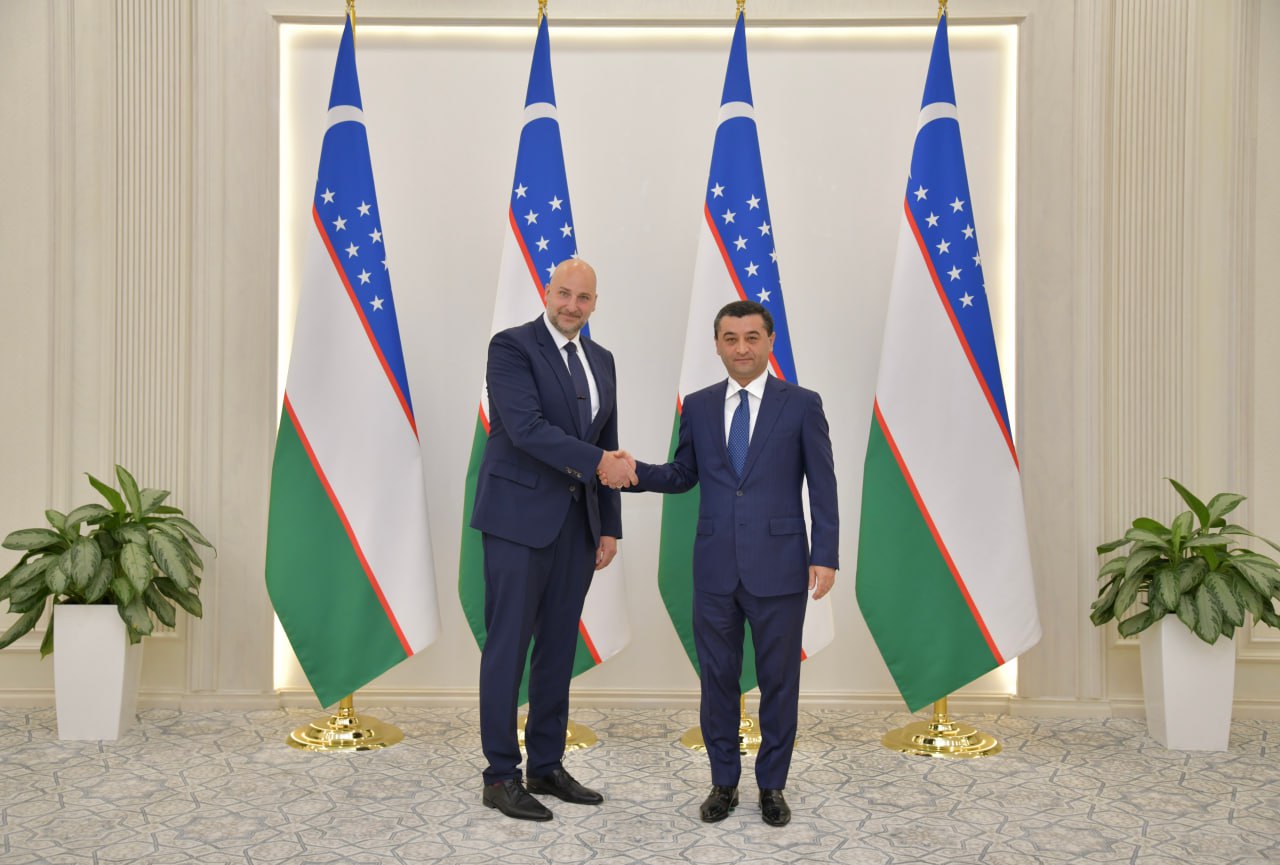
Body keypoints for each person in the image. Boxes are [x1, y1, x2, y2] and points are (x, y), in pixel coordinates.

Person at [609, 299, 837, 827]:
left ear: (770, 342)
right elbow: (683, 473)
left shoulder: (802, 404)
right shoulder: (699, 405)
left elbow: (823, 484)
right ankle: (723, 782)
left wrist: (825, 554)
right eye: (731, 338)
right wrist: (634, 472)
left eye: (752, 337)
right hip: (714, 567)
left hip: (780, 566)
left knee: (779, 681)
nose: (742, 348)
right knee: (717, 681)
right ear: (717, 345)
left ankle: (773, 786)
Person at [471, 258, 637, 822]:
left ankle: (545, 764)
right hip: (517, 521)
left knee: (559, 648)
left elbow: (608, 438)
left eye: (583, 298)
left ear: (595, 303)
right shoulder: (511, 347)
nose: (572, 306)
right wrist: (600, 463)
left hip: (577, 525)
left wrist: (608, 524)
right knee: (508, 647)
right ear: (547, 292)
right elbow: (526, 429)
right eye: (564, 293)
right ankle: (500, 775)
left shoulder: (602, 359)